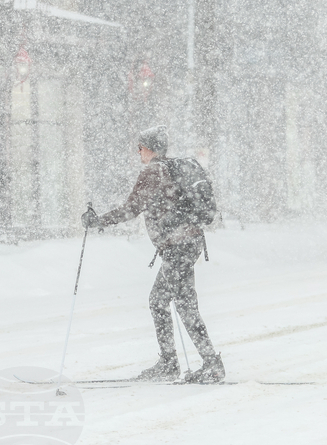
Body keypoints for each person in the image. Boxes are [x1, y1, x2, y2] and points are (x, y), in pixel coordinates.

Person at [85, 125, 224, 383]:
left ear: (148, 148)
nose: (138, 152)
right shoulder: (173, 168)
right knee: (160, 301)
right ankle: (172, 362)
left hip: (178, 246)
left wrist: (99, 221)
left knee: (182, 305)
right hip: (187, 243)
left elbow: (131, 208)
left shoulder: (153, 171)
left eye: (140, 148)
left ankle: (208, 365)